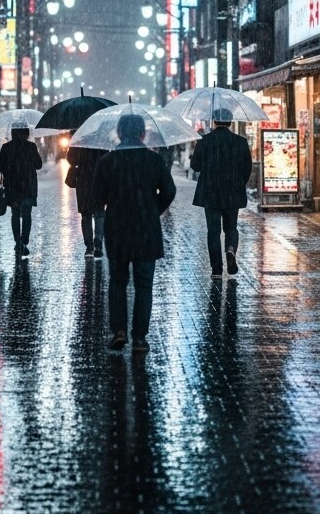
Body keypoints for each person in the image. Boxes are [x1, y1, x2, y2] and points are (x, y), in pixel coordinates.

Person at [93, 113, 177, 352]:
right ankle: (139, 337)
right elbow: (169, 191)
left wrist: (115, 203)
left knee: (118, 281)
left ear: (119, 133)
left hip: (117, 227)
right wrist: (152, 209)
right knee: (144, 285)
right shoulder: (154, 160)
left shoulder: (107, 161)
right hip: (146, 229)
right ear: (143, 133)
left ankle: (119, 330)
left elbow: (96, 198)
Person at [190, 108, 253, 276]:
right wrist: (239, 183)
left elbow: (194, 166)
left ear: (214, 121)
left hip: (210, 192)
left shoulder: (205, 141)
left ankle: (216, 268)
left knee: (213, 231)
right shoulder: (240, 141)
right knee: (231, 227)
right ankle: (230, 249)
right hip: (233, 191)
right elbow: (247, 168)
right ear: (230, 122)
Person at [0, 125, 42, 258]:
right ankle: (24, 240)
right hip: (28, 186)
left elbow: (0, 166)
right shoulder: (31, 147)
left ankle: (17, 241)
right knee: (27, 214)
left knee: (15, 214)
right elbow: (38, 165)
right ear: (26, 133)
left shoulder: (6, 147)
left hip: (13, 186)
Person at [66, 143, 106, 258]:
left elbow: (71, 159)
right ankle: (98, 240)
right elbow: (106, 159)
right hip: (99, 180)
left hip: (83, 181)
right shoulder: (99, 142)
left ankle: (89, 246)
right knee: (99, 214)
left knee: (86, 215)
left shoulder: (79, 141)